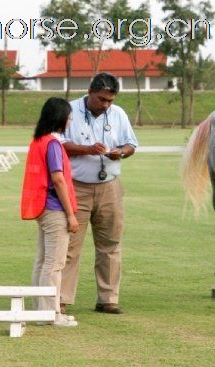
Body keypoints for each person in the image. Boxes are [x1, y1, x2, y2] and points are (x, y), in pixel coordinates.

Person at [60, 73, 138, 314]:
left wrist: (121, 153)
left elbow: (131, 144)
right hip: (77, 186)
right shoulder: (68, 111)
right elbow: (58, 144)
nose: (106, 105)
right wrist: (87, 149)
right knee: (69, 246)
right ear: (90, 92)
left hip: (110, 187)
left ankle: (108, 299)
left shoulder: (119, 114)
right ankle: (60, 300)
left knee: (111, 244)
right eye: (101, 99)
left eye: (110, 101)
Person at [21, 97, 80, 327]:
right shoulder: (53, 144)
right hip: (54, 210)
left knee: (43, 261)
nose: (70, 120)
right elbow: (58, 179)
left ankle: (42, 311)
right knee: (54, 264)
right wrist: (71, 214)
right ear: (60, 118)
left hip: (42, 207)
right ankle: (50, 314)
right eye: (69, 116)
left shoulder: (39, 141)